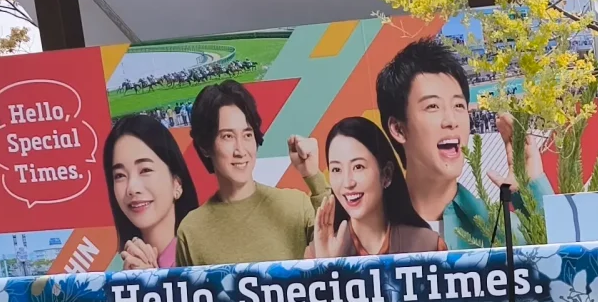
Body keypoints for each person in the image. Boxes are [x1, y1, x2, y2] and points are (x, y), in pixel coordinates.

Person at [373, 37, 547, 250]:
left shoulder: (501, 233)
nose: (451, 121)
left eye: (458, 105)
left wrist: (532, 190)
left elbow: (565, 261)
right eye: (432, 106)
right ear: (398, 129)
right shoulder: (364, 235)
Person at [172, 80, 316, 267]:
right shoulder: (191, 230)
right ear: (205, 146)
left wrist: (313, 176)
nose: (240, 150)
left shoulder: (295, 206)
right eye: (228, 136)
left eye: (247, 135)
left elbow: (345, 247)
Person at [307, 116, 443, 258]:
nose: (347, 183)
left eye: (358, 167)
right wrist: (325, 265)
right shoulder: (317, 253)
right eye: (336, 169)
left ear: (386, 174)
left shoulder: (428, 246)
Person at [103, 114, 198, 270]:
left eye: (145, 170)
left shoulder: (204, 260)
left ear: (177, 184)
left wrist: (151, 281)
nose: (132, 188)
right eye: (119, 175)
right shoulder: (117, 272)